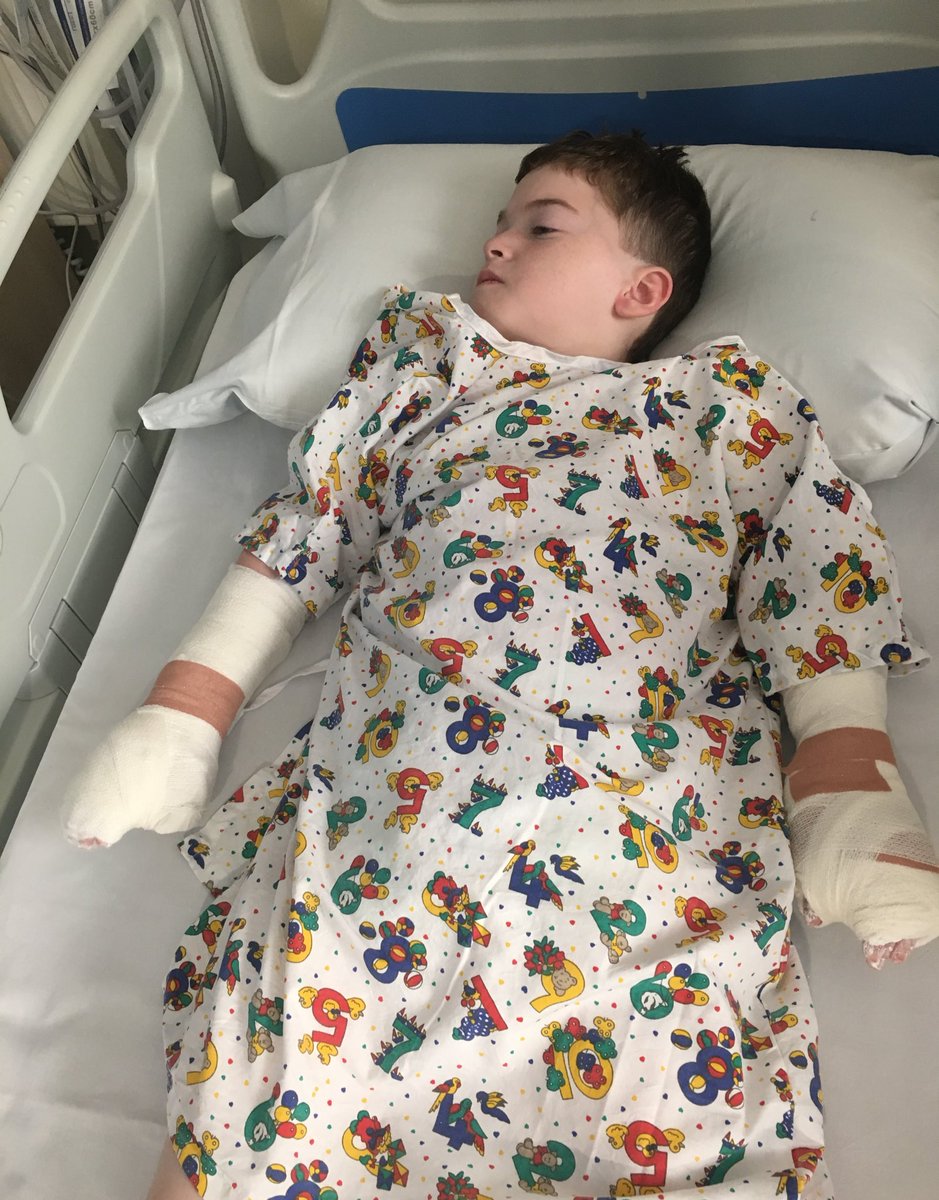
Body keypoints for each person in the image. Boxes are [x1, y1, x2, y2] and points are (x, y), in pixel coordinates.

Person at [64, 132, 939, 1200]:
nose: (495, 241)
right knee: (278, 1058)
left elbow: (816, 574)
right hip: (398, 802)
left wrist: (848, 780)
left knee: (666, 1076)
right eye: (499, 221)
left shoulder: (721, 411)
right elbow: (308, 531)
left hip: (634, 821)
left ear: (642, 290)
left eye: (541, 224)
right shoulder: (424, 371)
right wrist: (186, 708)